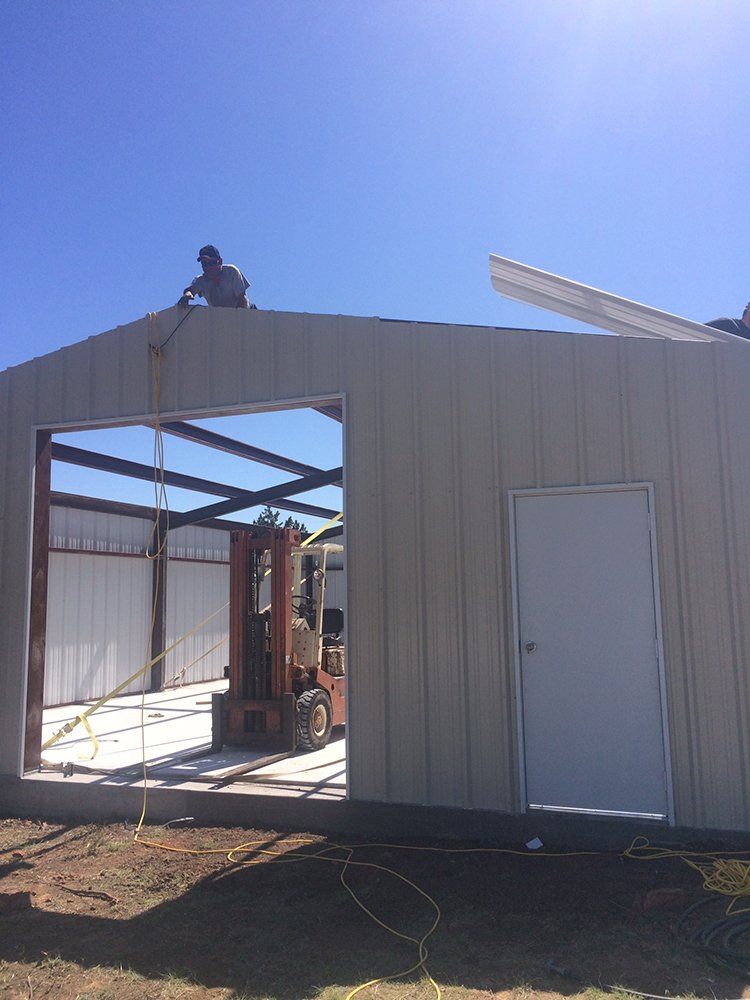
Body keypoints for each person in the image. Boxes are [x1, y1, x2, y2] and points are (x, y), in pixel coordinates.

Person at [178, 245, 253, 308]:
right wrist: (187, 295)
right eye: (204, 264)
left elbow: (242, 298)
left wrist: (239, 319)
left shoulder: (231, 272)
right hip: (221, 316)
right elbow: (190, 290)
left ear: (220, 262)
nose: (208, 268)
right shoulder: (201, 280)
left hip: (245, 311)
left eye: (211, 263)